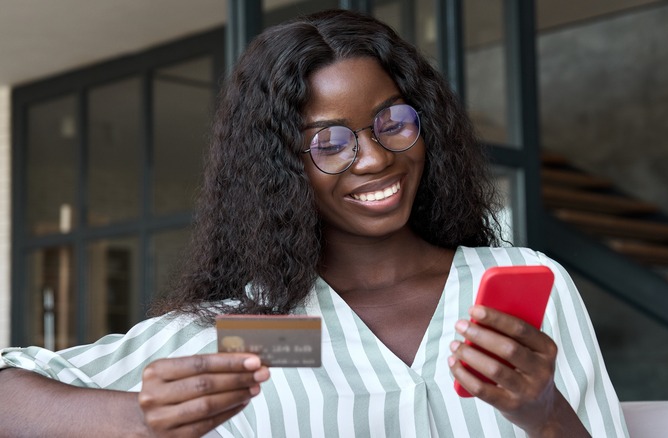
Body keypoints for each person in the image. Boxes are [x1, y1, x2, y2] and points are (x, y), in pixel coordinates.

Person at [0, 9, 627, 437]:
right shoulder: (272, 332)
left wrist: (546, 416)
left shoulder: (521, 284)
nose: (377, 157)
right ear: (280, 169)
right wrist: (138, 418)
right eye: (328, 142)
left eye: (392, 122)